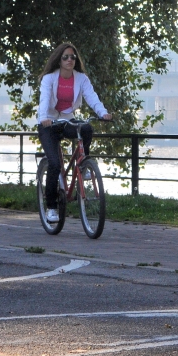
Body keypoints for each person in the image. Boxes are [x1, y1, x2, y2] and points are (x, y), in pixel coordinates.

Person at [37, 42, 111, 223]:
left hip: (67, 119)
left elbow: (92, 97)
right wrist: (44, 117)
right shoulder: (49, 78)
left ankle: (83, 165)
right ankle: (52, 208)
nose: (70, 60)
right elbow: (44, 99)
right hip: (49, 123)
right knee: (54, 164)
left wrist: (103, 113)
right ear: (59, 60)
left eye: (72, 57)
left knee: (85, 128)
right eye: (65, 57)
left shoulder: (81, 78)